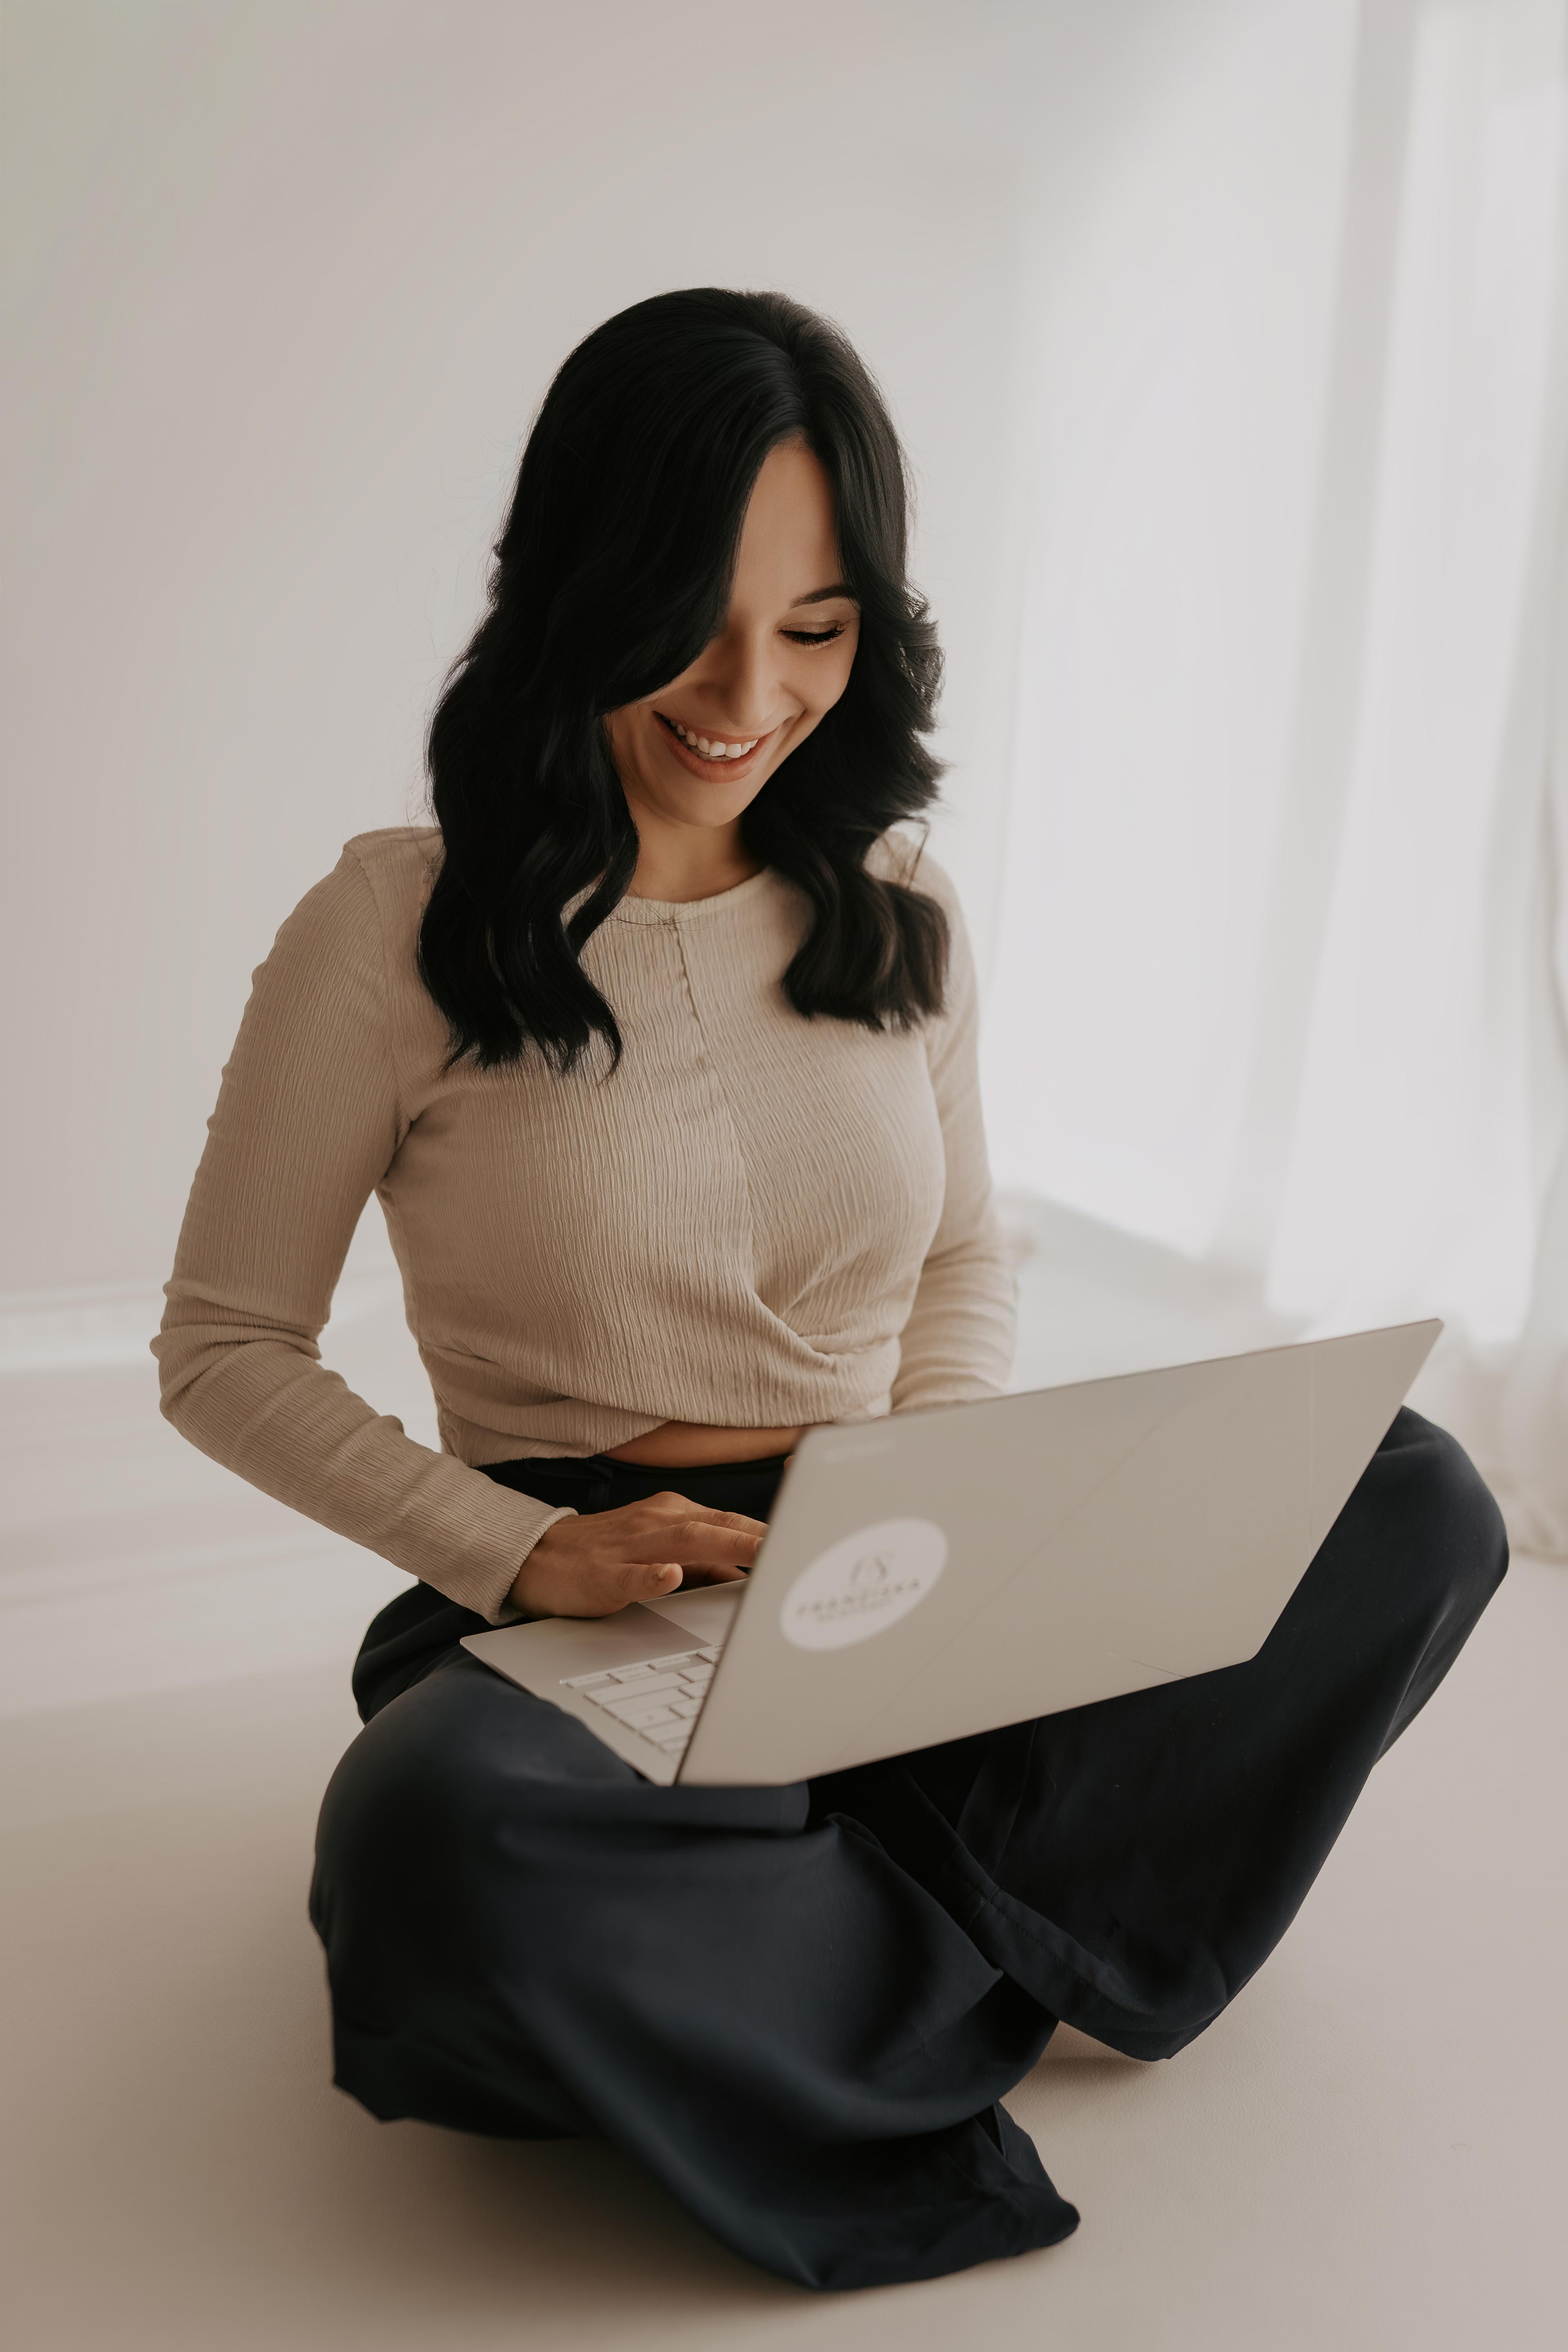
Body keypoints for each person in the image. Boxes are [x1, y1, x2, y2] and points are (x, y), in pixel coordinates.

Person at [154, 288, 1508, 2293]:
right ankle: (991, 1929)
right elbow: (221, 1349)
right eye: (689, 616)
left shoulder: (899, 899)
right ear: (567, 589)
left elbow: (963, 1251)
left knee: (1411, 1490)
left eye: (813, 628)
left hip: (906, 1549)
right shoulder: (392, 928)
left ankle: (810, 1949)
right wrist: (514, 1552)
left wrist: (951, 1503)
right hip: (604, 1579)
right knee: (437, 1843)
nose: (744, 691)